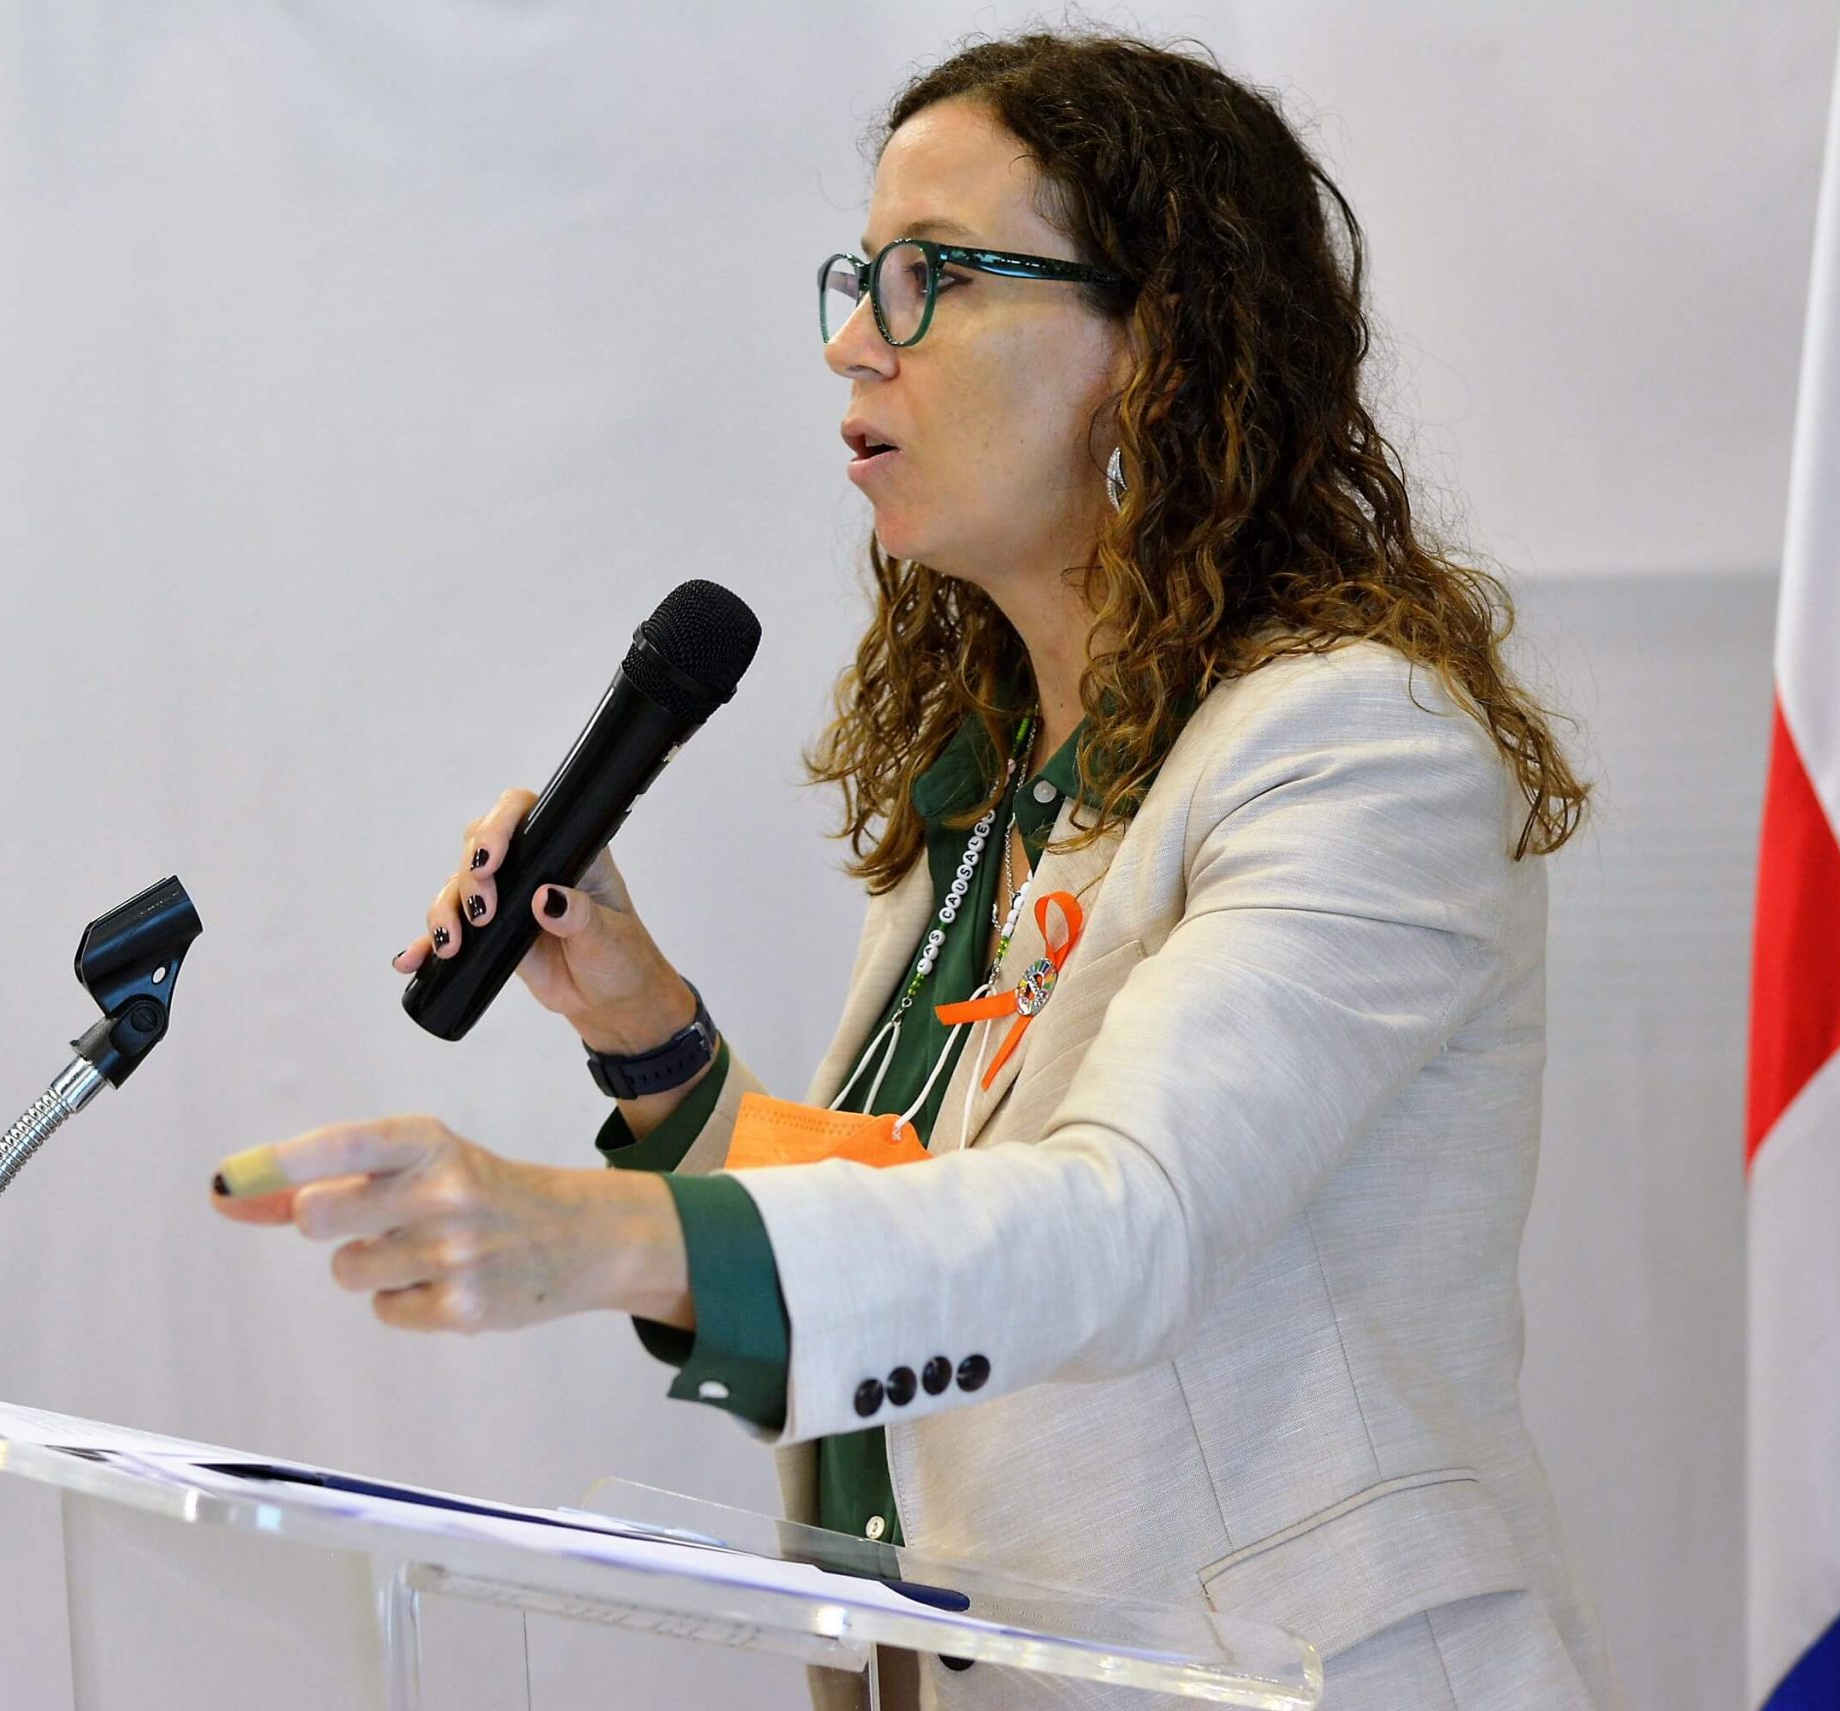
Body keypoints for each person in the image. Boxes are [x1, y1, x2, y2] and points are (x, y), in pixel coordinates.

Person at [212, 30, 1617, 1709]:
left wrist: (586, 1232)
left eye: (928, 277)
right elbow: (899, 1251)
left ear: (1158, 347)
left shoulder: (1356, 748)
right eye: (860, 277)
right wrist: (648, 1038)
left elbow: (1123, 1226)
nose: (851, 343)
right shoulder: (1003, 783)